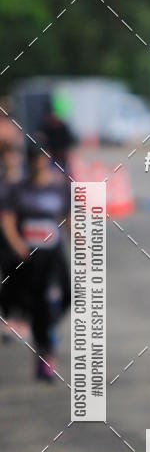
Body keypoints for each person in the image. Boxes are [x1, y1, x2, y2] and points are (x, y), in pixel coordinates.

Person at [0, 139, 70, 380]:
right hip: (30, 257)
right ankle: (46, 355)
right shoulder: (19, 189)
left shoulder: (59, 188)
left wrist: (81, 242)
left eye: (41, 156)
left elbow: (68, 219)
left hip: (54, 256)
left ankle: (47, 328)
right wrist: (18, 245)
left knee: (66, 296)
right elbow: (7, 220)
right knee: (40, 304)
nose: (38, 162)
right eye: (33, 157)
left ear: (47, 158)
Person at [0, 142, 27, 340]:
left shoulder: (25, 185)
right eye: (6, 156)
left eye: (14, 156)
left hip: (25, 238)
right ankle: (8, 318)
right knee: (7, 278)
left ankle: (22, 319)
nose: (10, 160)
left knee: (24, 279)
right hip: (4, 240)